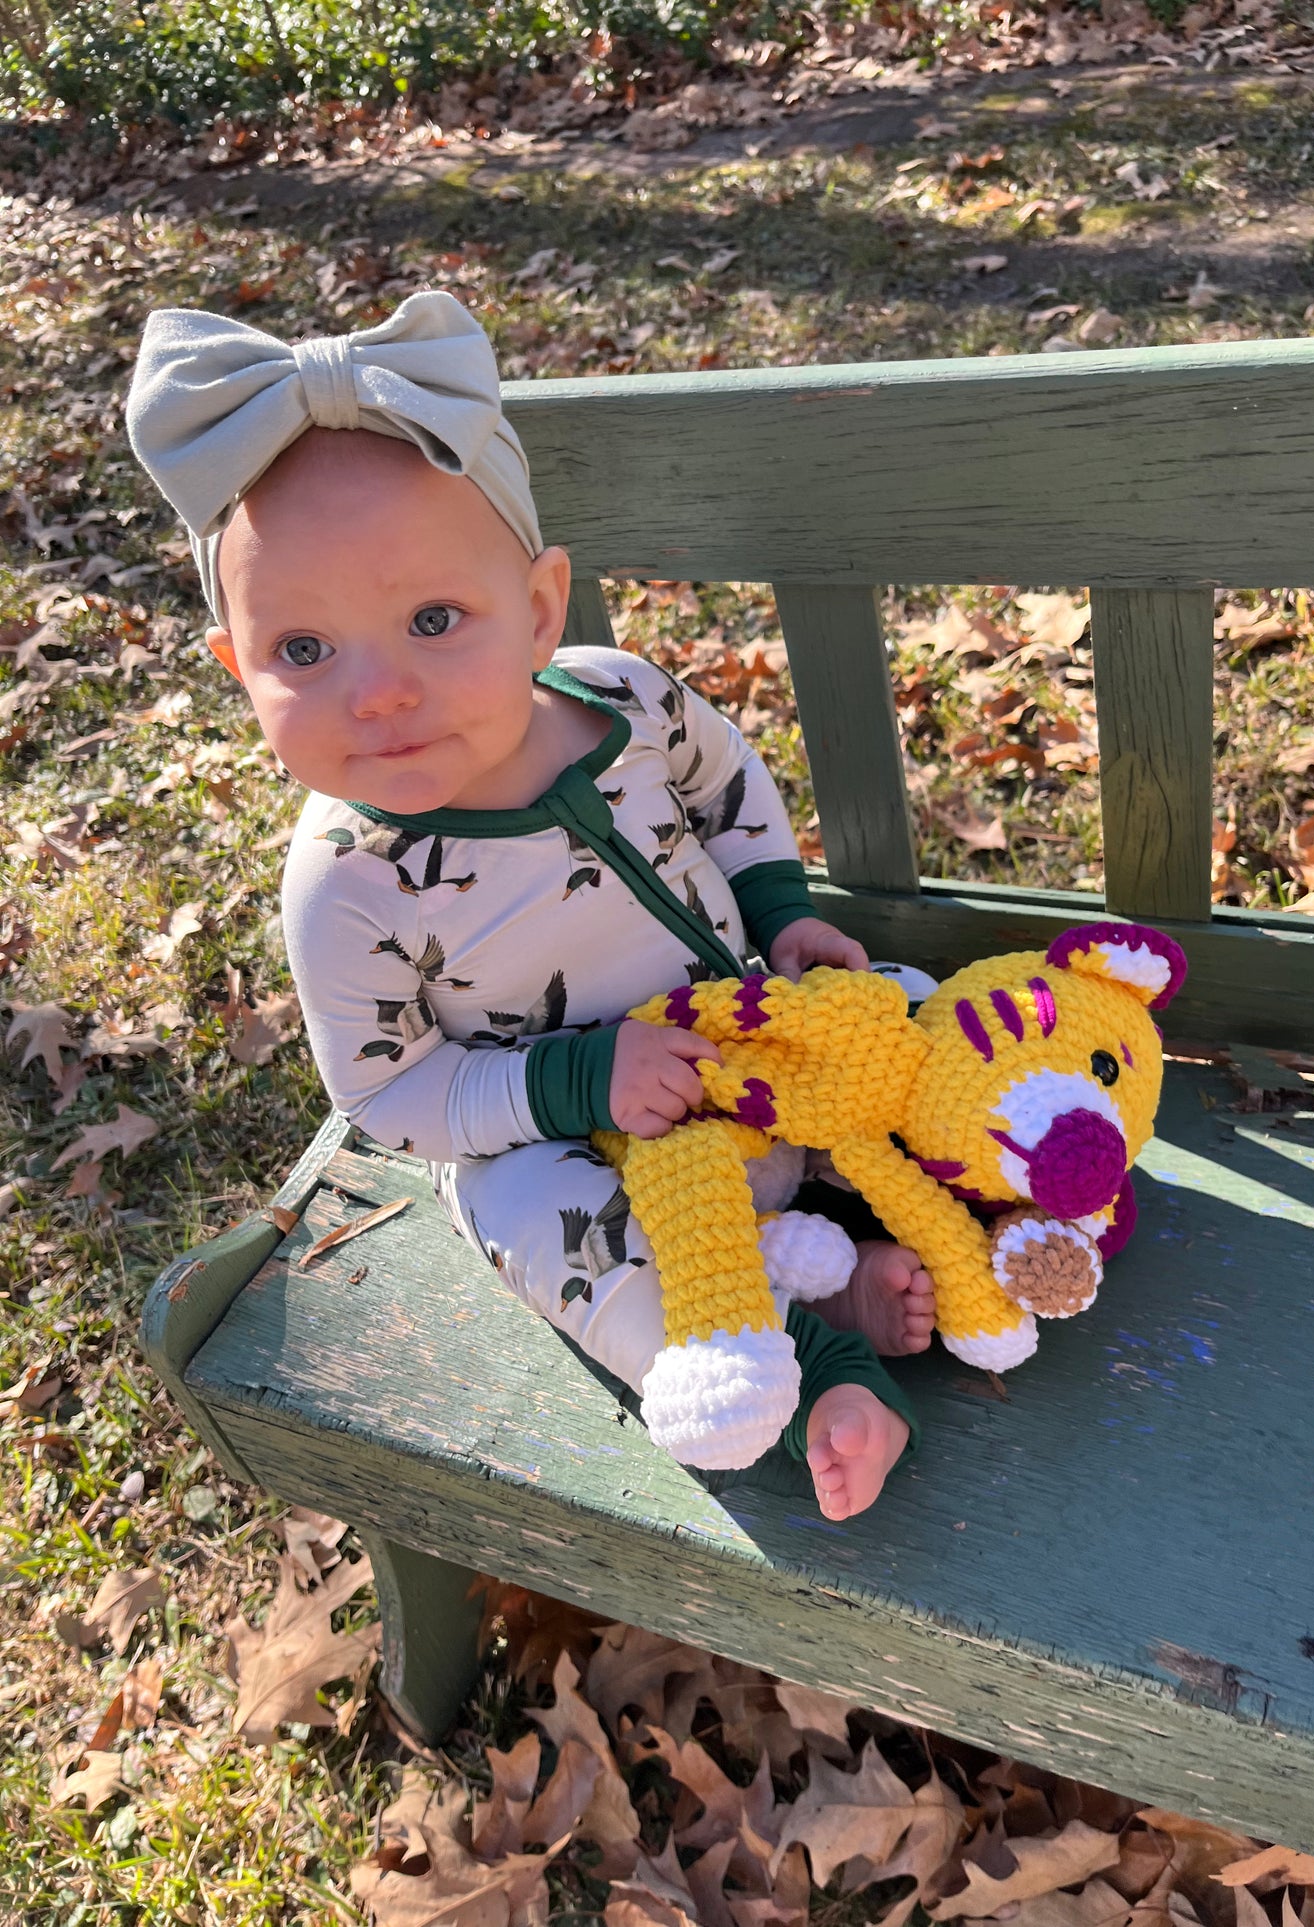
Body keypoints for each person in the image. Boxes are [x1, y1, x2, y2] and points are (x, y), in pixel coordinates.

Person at [125, 290, 935, 1520]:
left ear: (541, 609)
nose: (378, 692)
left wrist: (780, 917)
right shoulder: (348, 881)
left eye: (432, 620)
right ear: (236, 665)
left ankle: (975, 1209)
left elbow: (726, 788)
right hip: (573, 1146)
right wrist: (576, 1083)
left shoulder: (623, 702)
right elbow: (390, 1097)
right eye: (303, 651)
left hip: (751, 1045)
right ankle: (801, 1362)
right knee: (536, 1223)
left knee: (903, 1012)